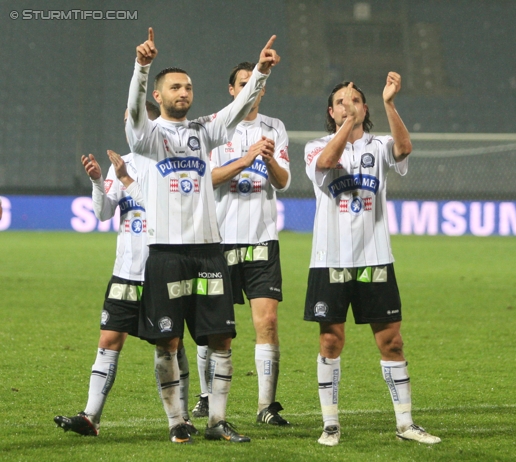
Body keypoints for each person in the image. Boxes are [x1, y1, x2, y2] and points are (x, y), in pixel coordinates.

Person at [126, 28, 279, 444]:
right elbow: (134, 112)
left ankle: (217, 421)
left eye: (188, 87)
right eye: (175, 86)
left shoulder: (203, 130)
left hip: (210, 249)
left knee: (221, 335)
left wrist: (261, 73)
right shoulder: (147, 136)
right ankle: (177, 420)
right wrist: (143, 67)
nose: (184, 92)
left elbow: (237, 107)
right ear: (158, 95)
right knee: (168, 339)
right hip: (166, 252)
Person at [303, 75, 441, 446]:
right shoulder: (315, 147)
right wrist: (347, 124)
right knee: (331, 341)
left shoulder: (379, 146)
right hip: (329, 259)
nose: (348, 105)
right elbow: (329, 161)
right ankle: (330, 424)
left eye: (355, 101)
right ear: (331, 112)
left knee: (392, 342)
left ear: (366, 108)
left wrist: (390, 103)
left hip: (375, 258)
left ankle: (406, 423)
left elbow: (405, 148)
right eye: (341, 102)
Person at [55, 102, 198, 436]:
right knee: (109, 339)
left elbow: (174, 212)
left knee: (170, 345)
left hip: (163, 273)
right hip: (126, 271)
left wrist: (128, 181)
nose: (128, 128)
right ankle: (90, 417)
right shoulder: (121, 163)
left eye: (134, 120)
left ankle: (181, 420)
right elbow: (104, 213)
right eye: (125, 122)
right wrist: (96, 181)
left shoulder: (171, 164)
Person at [191, 62, 291, 426]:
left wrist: (267, 160)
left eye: (257, 84)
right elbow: (206, 179)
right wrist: (245, 160)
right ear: (232, 90)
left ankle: (266, 406)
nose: (252, 90)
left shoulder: (274, 128)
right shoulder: (211, 128)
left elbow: (281, 181)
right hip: (217, 241)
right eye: (244, 84)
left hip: (262, 239)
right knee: (214, 328)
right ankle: (205, 397)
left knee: (267, 322)